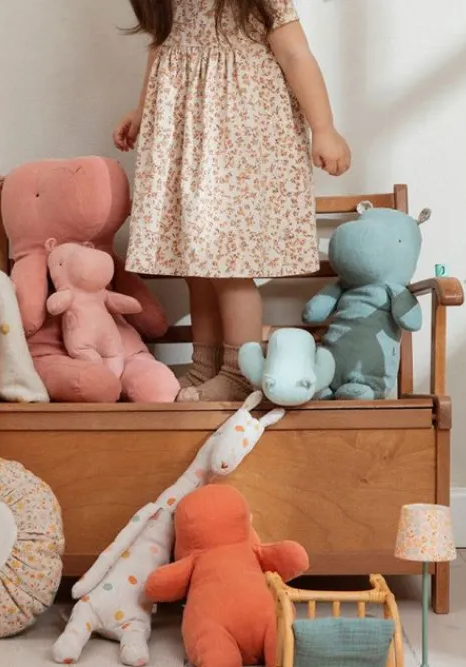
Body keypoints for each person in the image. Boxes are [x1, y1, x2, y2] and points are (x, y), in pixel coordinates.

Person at [114, 0, 350, 402]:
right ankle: (205, 364)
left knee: (229, 265)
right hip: (187, 137)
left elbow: (296, 54)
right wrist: (142, 110)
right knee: (196, 264)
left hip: (237, 137)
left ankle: (239, 370)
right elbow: (160, 49)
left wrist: (323, 128)